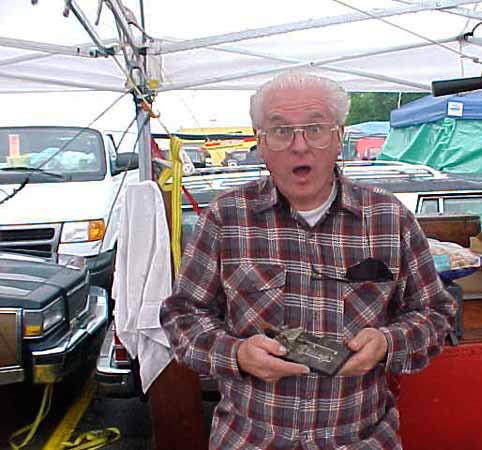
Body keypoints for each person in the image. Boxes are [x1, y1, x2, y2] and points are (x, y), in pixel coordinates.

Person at [160, 70, 457, 449]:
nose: (299, 146)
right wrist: (236, 353)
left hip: (360, 440)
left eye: (315, 128)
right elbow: (182, 315)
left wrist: (387, 342)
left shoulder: (389, 217)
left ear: (339, 137)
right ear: (260, 142)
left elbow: (436, 313)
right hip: (250, 440)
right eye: (280, 131)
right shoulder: (225, 218)